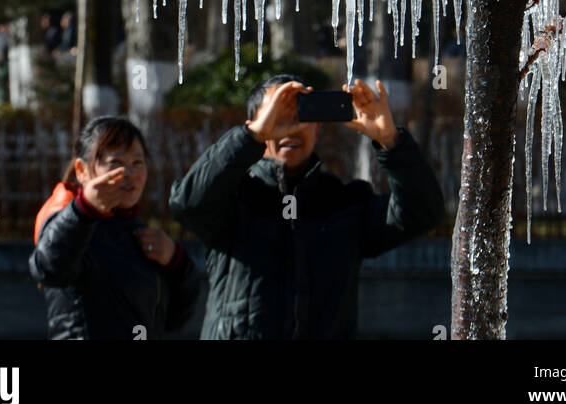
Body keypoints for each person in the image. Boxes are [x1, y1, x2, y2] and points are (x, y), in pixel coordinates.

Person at [168, 74, 445, 340]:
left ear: (318, 126)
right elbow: (187, 204)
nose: (291, 126)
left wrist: (391, 142)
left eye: (302, 114)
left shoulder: (345, 203)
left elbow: (422, 213)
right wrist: (249, 138)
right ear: (255, 124)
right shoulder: (231, 197)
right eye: (278, 115)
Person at [30, 115, 200, 340]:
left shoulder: (139, 232)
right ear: (82, 171)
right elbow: (48, 268)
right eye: (116, 163)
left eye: (137, 163)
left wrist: (177, 262)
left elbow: (175, 320)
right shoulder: (73, 223)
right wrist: (84, 210)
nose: (130, 174)